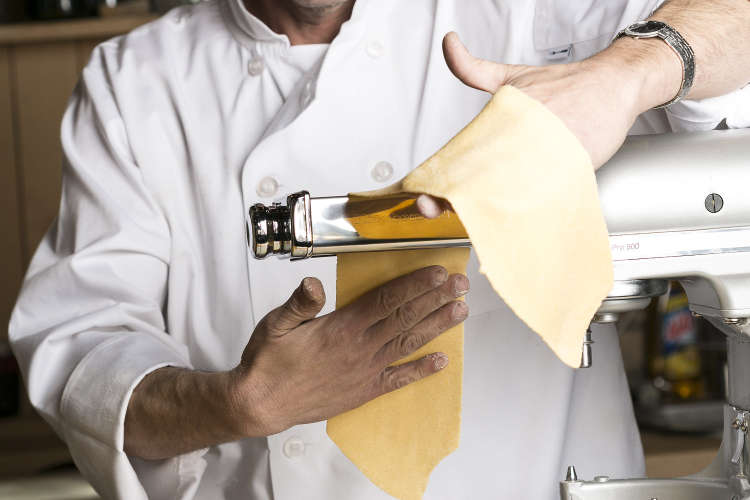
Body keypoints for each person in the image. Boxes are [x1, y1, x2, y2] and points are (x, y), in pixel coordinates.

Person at [9, 0, 750, 498]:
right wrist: (237, 404)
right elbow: (81, 349)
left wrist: (622, 74)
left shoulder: (537, 13)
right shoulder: (132, 83)